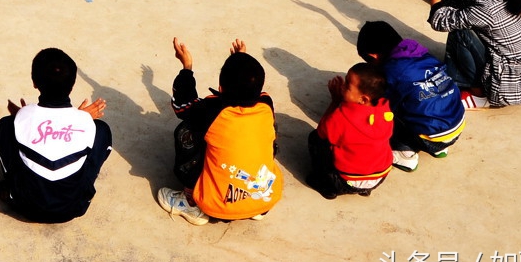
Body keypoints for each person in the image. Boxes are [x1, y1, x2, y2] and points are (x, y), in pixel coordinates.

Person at [158, 38, 283, 225]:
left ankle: (191, 202)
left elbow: (182, 106)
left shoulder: (213, 111)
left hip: (216, 204)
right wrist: (241, 59)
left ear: (220, 88)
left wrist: (187, 68)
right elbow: (248, 86)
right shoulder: (266, 103)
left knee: (186, 132)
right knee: (264, 131)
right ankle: (253, 206)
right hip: (265, 198)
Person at [0, 48, 111, 223]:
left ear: (34, 82)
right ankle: (83, 192)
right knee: (101, 132)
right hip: (73, 208)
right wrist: (80, 119)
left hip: (24, 206)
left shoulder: (22, 117)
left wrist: (18, 119)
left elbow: (18, 125)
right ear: (72, 85)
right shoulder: (86, 122)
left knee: (4, 127)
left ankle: (11, 190)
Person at [357, 20, 466, 173]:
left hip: (431, 136)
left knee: (380, 114)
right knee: (421, 101)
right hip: (457, 123)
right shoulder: (420, 53)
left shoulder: (391, 72)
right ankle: (440, 148)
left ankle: (405, 154)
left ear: (373, 56)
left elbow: (381, 106)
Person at [306, 63, 395, 199]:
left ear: (363, 99)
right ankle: (365, 190)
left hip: (346, 181)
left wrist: (335, 102)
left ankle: (328, 187)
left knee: (314, 139)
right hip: (379, 176)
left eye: (347, 86)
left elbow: (322, 132)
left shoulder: (342, 117)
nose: (342, 87)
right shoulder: (385, 109)